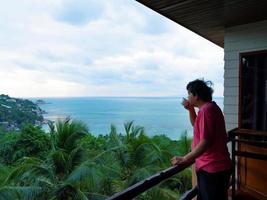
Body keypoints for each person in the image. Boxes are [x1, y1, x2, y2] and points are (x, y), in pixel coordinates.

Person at [171, 79, 231, 200]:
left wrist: (185, 158)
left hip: (212, 168)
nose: (187, 97)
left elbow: (205, 142)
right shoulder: (211, 108)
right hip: (218, 167)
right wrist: (191, 110)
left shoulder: (206, 110)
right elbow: (196, 125)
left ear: (196, 96)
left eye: (189, 94)